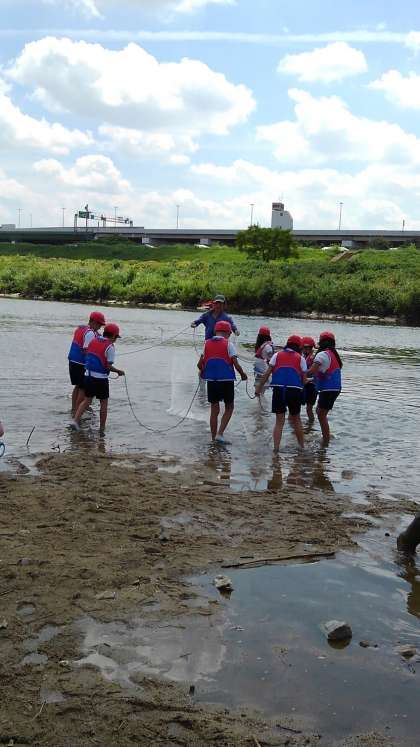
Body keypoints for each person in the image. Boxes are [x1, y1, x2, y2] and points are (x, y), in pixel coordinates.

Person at [198, 320, 247, 444]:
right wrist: (243, 375)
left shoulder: (206, 343)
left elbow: (199, 364)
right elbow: (235, 363)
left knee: (214, 410)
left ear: (216, 331)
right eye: (229, 334)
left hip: (212, 381)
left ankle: (213, 438)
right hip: (226, 381)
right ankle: (220, 434)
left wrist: (203, 370)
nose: (229, 336)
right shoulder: (229, 344)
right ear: (227, 333)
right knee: (229, 407)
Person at [255, 334, 306, 452]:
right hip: (294, 391)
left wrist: (259, 388)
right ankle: (302, 448)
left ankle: (276, 449)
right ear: (299, 346)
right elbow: (303, 380)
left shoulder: (277, 355)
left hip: (278, 390)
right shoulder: (301, 358)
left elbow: (267, 373)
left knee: (279, 422)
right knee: (296, 420)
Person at [71, 323, 125, 435]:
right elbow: (108, 366)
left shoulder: (93, 340)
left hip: (88, 376)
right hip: (101, 379)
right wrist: (118, 371)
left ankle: (75, 421)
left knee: (87, 400)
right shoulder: (110, 347)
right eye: (116, 337)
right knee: (104, 403)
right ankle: (102, 429)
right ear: (113, 336)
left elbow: (87, 353)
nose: (116, 340)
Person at [306, 330, 342, 446]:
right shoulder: (334, 355)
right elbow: (322, 374)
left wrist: (297, 372)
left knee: (321, 415)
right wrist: (309, 380)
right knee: (320, 412)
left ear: (321, 342)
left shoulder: (322, 355)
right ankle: (325, 438)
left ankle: (325, 441)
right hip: (335, 389)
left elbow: (311, 371)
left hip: (328, 389)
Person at [68, 311, 106, 414]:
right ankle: (78, 410)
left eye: (101, 325)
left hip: (73, 361)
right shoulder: (90, 333)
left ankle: (75, 408)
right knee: (83, 388)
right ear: (93, 322)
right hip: (81, 364)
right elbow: (86, 351)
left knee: (78, 386)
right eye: (99, 324)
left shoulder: (81, 328)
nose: (100, 327)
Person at [254, 326, 275, 393]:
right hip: (263, 370)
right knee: (261, 392)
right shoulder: (267, 346)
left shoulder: (263, 346)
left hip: (260, 370)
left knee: (259, 391)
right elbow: (271, 358)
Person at [301, 336, 317, 422]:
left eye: (303, 348)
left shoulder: (312, 358)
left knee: (308, 409)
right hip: (307, 385)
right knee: (308, 409)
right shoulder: (305, 357)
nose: (302, 349)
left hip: (311, 386)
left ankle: (310, 424)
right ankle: (310, 426)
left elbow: (314, 373)